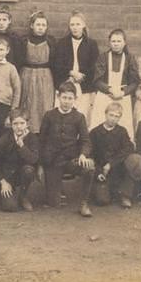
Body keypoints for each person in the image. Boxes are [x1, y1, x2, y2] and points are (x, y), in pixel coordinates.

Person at [39, 82, 95, 217]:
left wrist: (83, 154)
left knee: (89, 168)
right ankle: (57, 189)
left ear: (75, 99)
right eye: (64, 98)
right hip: (52, 161)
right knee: (54, 204)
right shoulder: (49, 115)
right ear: (58, 97)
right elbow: (42, 140)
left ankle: (83, 203)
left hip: (71, 160)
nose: (67, 102)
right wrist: (41, 164)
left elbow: (86, 140)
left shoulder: (79, 117)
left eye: (70, 98)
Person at [90, 102, 141, 209]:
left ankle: (125, 195)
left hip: (118, 168)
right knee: (102, 200)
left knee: (134, 159)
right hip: (102, 171)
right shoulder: (95, 132)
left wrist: (111, 163)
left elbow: (129, 148)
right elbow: (91, 154)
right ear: (105, 114)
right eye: (111, 115)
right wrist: (99, 171)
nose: (113, 119)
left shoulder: (121, 131)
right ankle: (108, 190)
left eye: (117, 116)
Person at [90, 29, 140, 141]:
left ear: (124, 42)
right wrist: (109, 90)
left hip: (122, 96)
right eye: (113, 41)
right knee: (100, 122)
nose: (116, 44)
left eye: (119, 41)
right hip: (105, 95)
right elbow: (97, 80)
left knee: (123, 125)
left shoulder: (130, 58)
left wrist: (123, 92)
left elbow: (135, 82)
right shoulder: (103, 57)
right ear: (109, 42)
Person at [51, 11, 99, 123]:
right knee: (63, 118)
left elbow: (94, 66)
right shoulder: (62, 43)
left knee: (82, 116)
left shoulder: (91, 44)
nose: (75, 27)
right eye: (72, 24)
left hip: (84, 86)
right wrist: (71, 73)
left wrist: (81, 76)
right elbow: (57, 64)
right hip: (66, 82)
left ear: (83, 25)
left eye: (78, 24)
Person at [0, 108, 39, 212]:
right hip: (7, 176)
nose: (19, 127)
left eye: (22, 123)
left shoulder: (32, 138)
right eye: (15, 124)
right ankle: (6, 192)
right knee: (10, 207)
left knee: (29, 170)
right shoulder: (5, 138)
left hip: (22, 173)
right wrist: (3, 182)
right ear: (11, 125)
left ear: (27, 124)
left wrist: (21, 145)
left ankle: (23, 196)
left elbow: (33, 159)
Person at [20, 11, 55, 133]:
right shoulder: (24, 40)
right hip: (27, 75)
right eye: (38, 25)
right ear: (32, 25)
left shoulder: (50, 41)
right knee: (27, 103)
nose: (40, 28)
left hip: (45, 76)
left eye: (43, 25)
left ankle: (43, 133)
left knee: (44, 105)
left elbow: (55, 62)